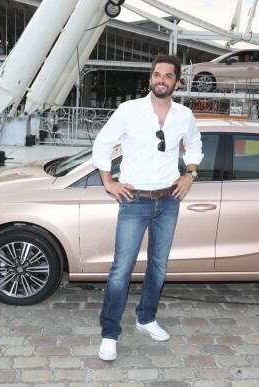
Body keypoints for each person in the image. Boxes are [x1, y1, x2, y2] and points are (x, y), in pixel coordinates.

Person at [92, 54, 203, 361]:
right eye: (157, 74)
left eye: (168, 76)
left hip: (169, 201)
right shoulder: (129, 111)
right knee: (121, 270)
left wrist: (189, 173)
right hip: (134, 200)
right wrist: (108, 182)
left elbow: (195, 144)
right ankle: (110, 333)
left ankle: (146, 318)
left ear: (177, 82)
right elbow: (102, 144)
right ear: (150, 79)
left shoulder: (184, 115)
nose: (161, 80)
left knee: (158, 266)